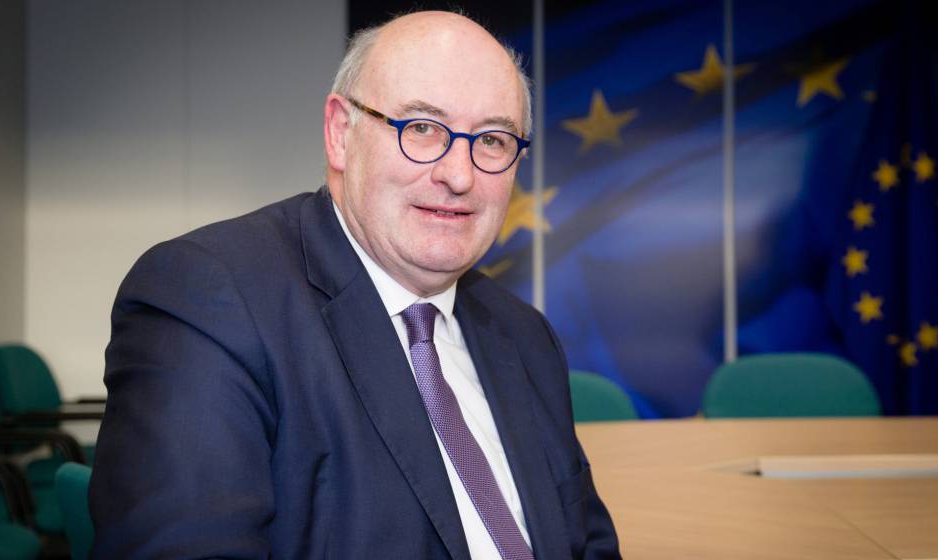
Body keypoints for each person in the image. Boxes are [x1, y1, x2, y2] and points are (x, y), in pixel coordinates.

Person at [90, 10, 620, 559]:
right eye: (422, 128)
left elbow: (588, 545)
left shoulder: (525, 335)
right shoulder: (209, 300)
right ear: (341, 133)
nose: (459, 175)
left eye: (491, 139)